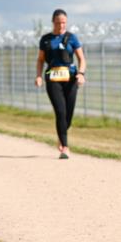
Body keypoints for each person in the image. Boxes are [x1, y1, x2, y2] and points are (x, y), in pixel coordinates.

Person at [35, 9, 86, 159]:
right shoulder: (45, 40)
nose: (61, 25)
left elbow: (82, 59)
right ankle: (65, 147)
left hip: (70, 79)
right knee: (60, 111)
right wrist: (38, 76)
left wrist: (81, 74)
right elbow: (40, 59)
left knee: (68, 114)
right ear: (53, 22)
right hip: (53, 78)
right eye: (58, 23)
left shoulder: (72, 38)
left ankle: (61, 135)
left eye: (64, 23)